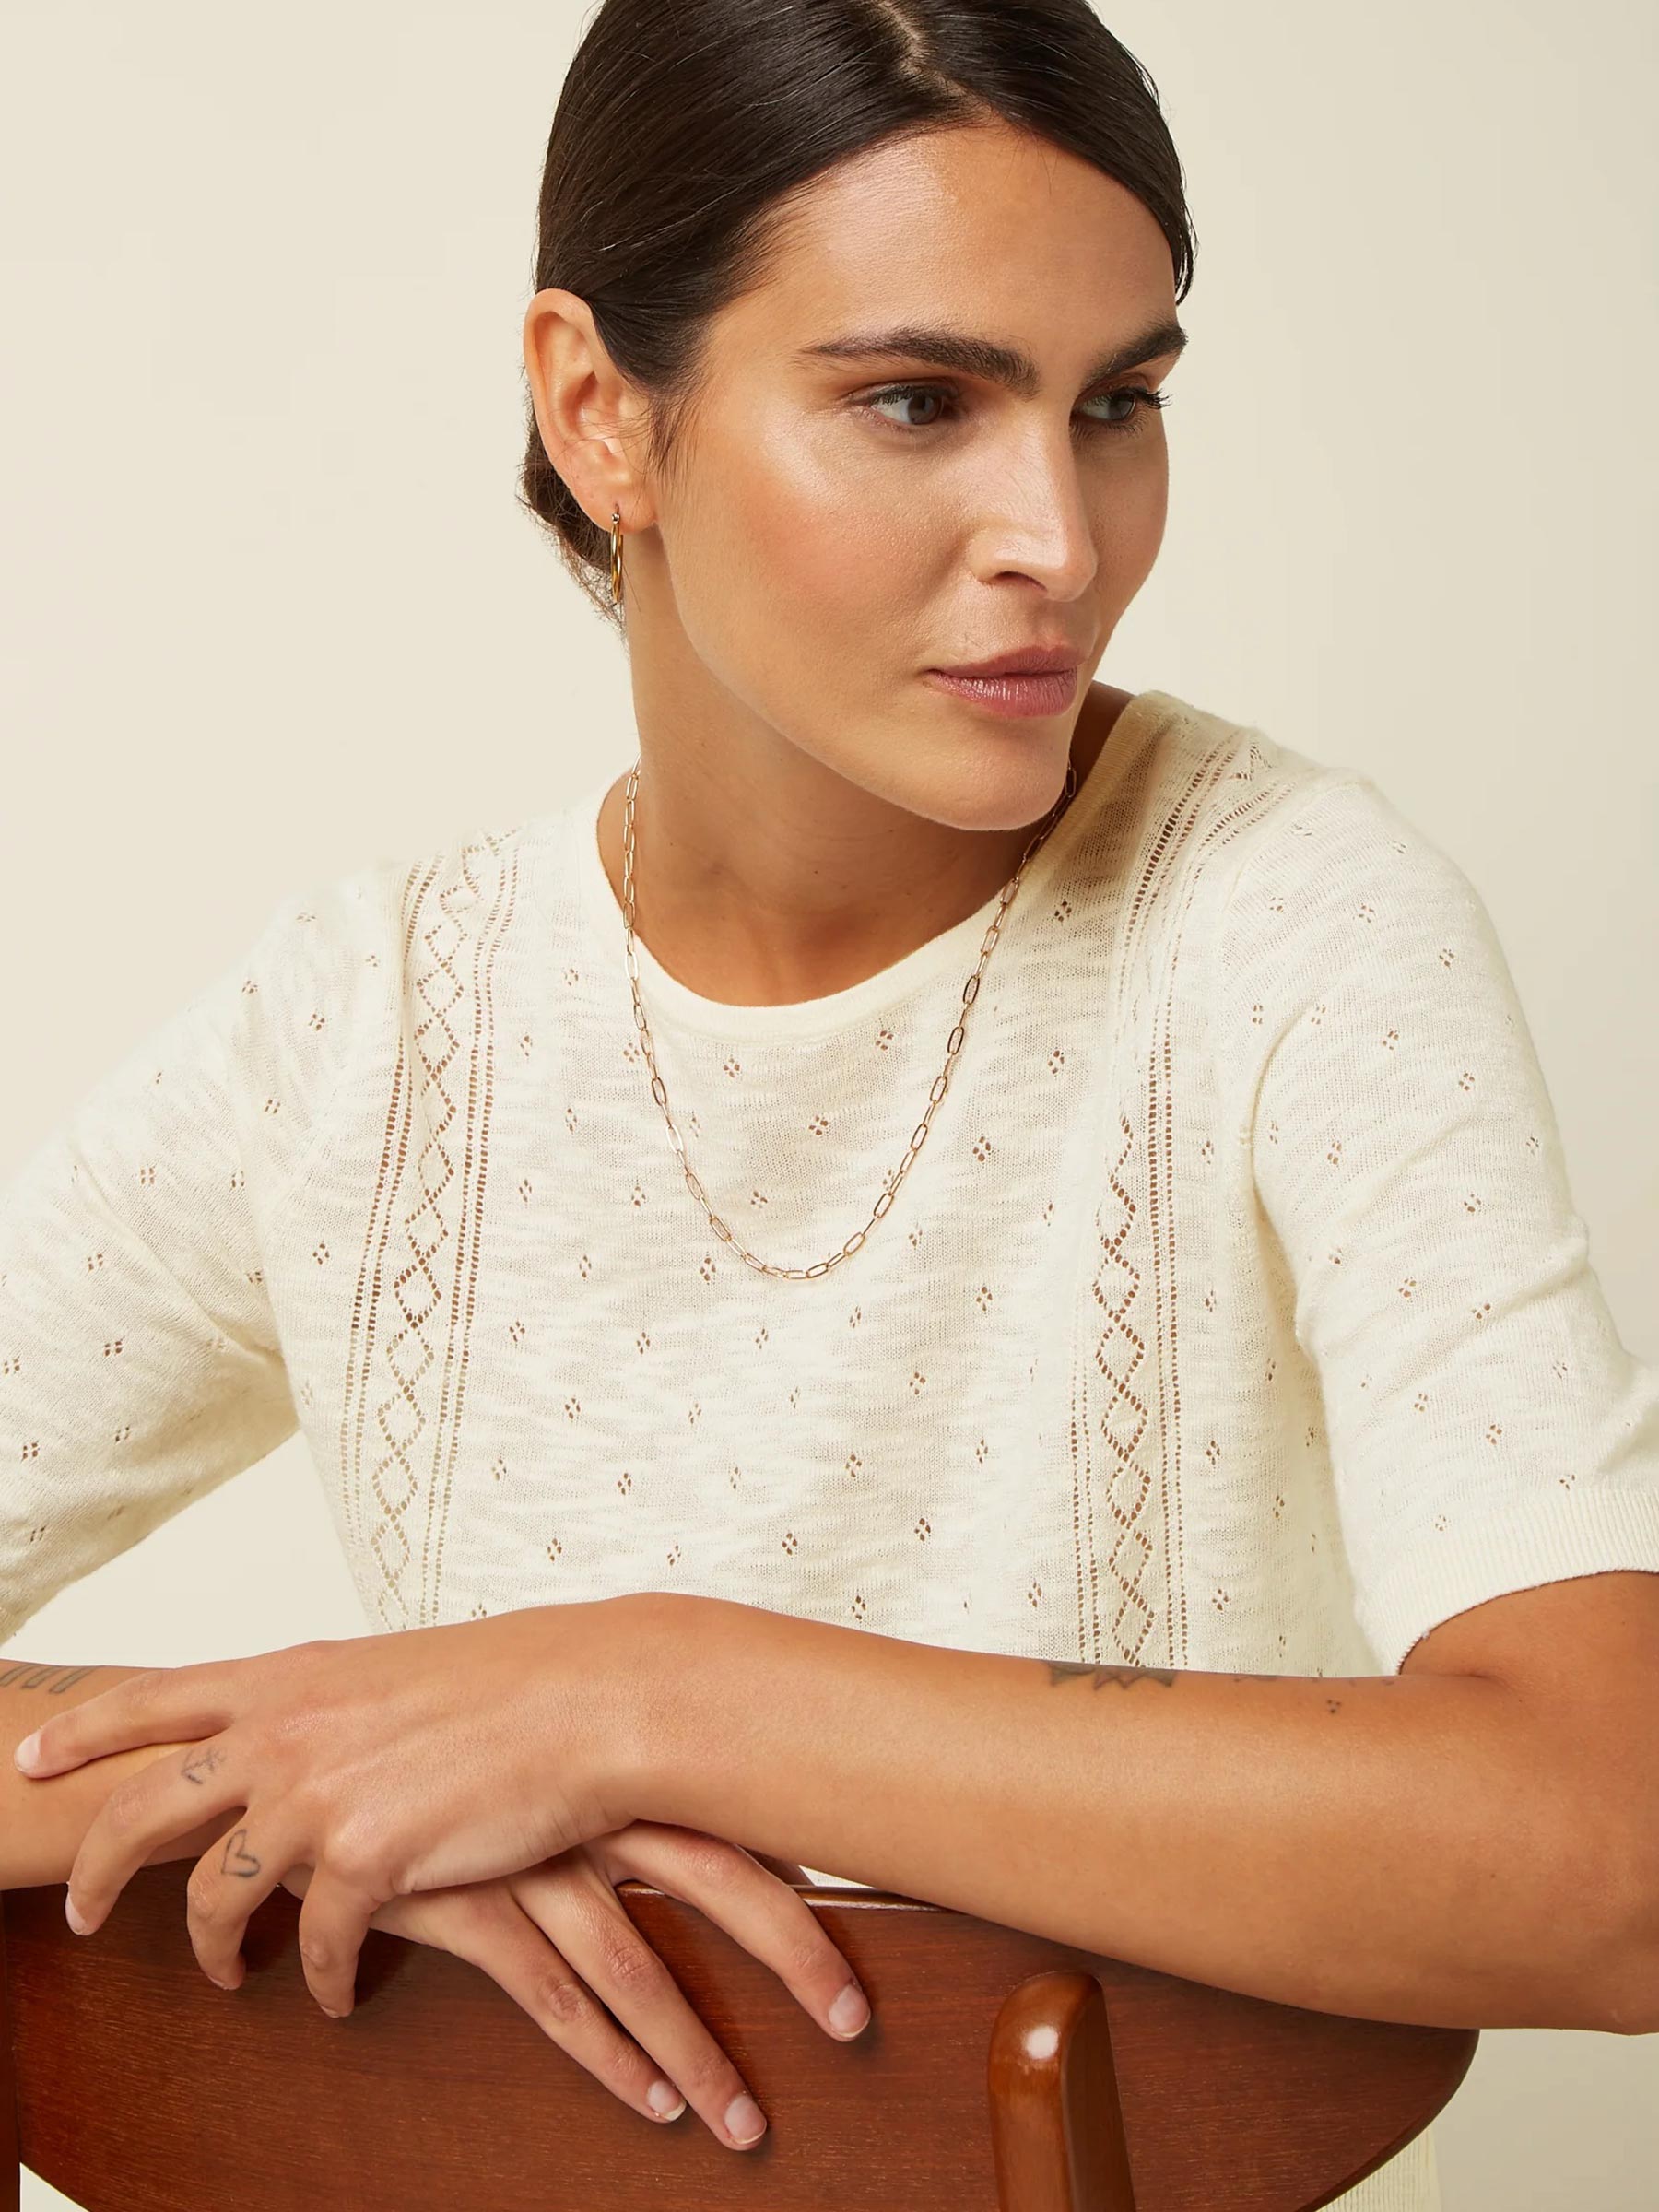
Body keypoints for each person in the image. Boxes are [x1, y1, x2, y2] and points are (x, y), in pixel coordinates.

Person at [4, 0, 1657, 2195]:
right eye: (917, 401)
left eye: (1119, 405)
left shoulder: (1286, 924)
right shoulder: (364, 1029)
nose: (1060, 537)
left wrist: (641, 1698)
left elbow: (1613, 1847)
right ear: (601, 411)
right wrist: (283, 1777)